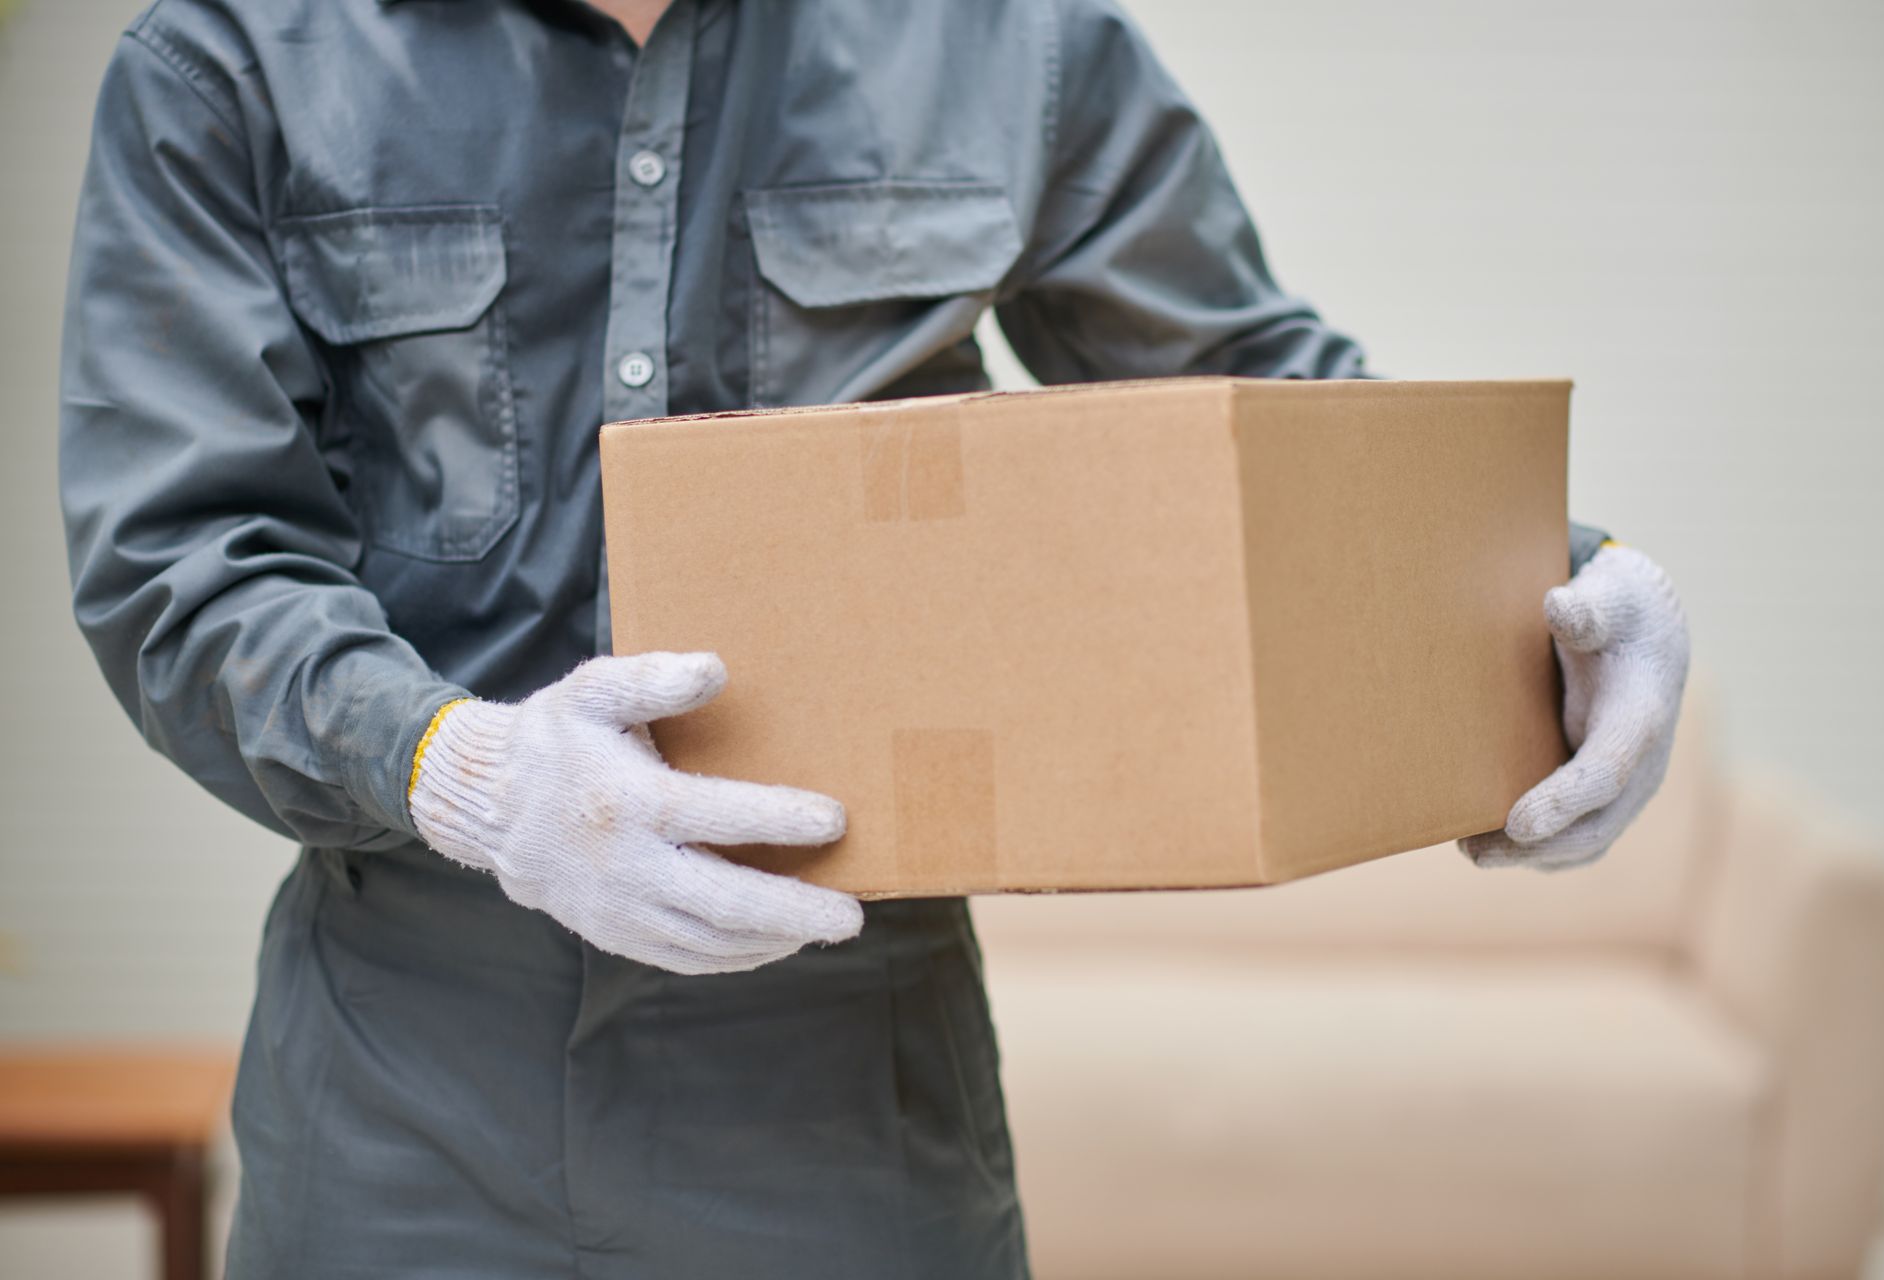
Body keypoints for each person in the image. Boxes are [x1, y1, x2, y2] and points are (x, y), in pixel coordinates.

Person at [57, 0, 1690, 1275]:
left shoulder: (1005, 44)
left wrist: (1550, 592)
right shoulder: (232, 60)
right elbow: (184, 555)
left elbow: (1262, 407)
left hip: (849, 1086)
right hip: (405, 1089)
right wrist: (466, 774)